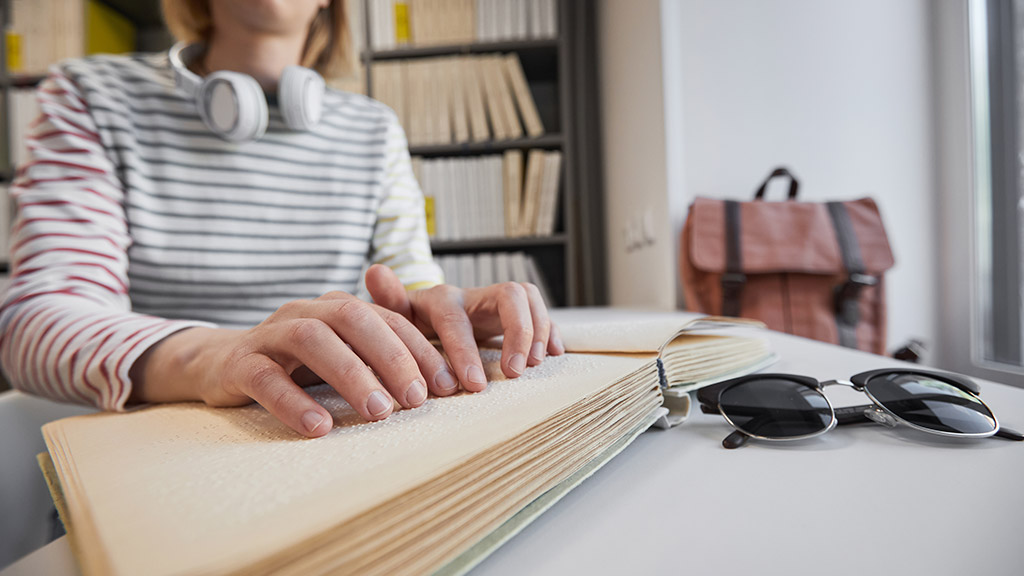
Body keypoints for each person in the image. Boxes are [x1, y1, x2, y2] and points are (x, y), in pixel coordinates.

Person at [0, 0, 563, 438]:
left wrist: (442, 317)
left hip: (332, 429)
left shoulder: (372, 130)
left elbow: (405, 291)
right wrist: (215, 358)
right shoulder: (90, 96)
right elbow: (36, 325)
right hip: (163, 437)